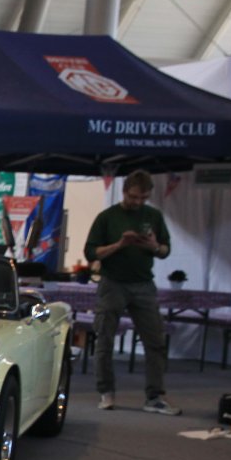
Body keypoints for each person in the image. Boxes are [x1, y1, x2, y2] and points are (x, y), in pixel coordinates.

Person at [84, 169, 179, 415]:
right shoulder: (107, 217)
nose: (138, 202)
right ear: (124, 191)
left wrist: (154, 246)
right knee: (104, 338)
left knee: (155, 341)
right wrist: (120, 244)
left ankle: (155, 397)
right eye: (134, 197)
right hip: (112, 283)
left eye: (143, 198)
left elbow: (165, 250)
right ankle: (106, 392)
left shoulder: (153, 216)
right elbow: (91, 252)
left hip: (143, 284)